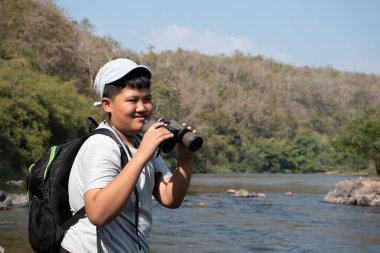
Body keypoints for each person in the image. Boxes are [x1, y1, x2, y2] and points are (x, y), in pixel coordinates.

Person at [61, 58, 196, 252]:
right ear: (107, 105)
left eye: (147, 99)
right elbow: (98, 214)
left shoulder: (141, 143)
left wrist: (185, 160)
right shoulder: (102, 145)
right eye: (132, 100)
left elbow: (169, 198)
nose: (142, 108)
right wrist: (141, 156)